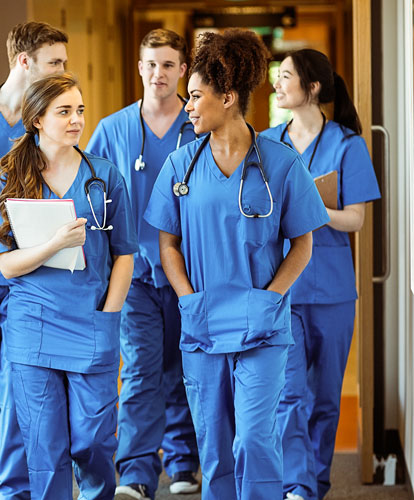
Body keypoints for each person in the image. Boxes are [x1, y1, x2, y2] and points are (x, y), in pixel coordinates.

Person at [143, 30, 330, 499]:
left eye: (196, 96)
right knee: (215, 446)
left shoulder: (282, 164)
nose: (187, 106)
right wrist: (188, 299)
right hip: (203, 322)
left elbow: (303, 243)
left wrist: (271, 297)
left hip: (261, 326)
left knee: (255, 439)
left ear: (228, 98)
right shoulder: (181, 166)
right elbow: (168, 245)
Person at [0, 73, 137, 499]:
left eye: (80, 110)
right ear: (37, 119)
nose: (76, 120)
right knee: (45, 445)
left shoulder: (104, 176)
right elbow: (6, 266)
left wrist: (110, 316)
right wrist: (53, 244)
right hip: (33, 323)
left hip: (91, 320)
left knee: (93, 440)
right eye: (64, 111)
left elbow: (124, 253)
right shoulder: (10, 176)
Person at [261, 49, 381, 500]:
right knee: (288, 394)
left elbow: (355, 220)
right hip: (283, 288)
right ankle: (298, 486)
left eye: (286, 76)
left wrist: (315, 209)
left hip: (331, 291)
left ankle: (316, 482)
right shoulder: (268, 144)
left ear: (312, 87)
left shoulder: (347, 145)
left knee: (326, 399)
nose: (277, 84)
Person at [0, 21, 68, 499]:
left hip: (26, 271)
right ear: (25, 62)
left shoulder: (48, 116)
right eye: (55, 62)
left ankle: (14, 486)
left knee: (19, 384)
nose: (64, 71)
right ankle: (35, 457)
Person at [87, 28, 200, 499]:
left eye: (169, 65)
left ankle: (183, 461)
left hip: (189, 272)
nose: (159, 74)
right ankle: (134, 471)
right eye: (151, 64)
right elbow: (89, 191)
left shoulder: (199, 126)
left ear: (183, 71)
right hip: (133, 274)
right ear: (139, 68)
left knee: (184, 367)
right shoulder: (113, 129)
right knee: (140, 370)